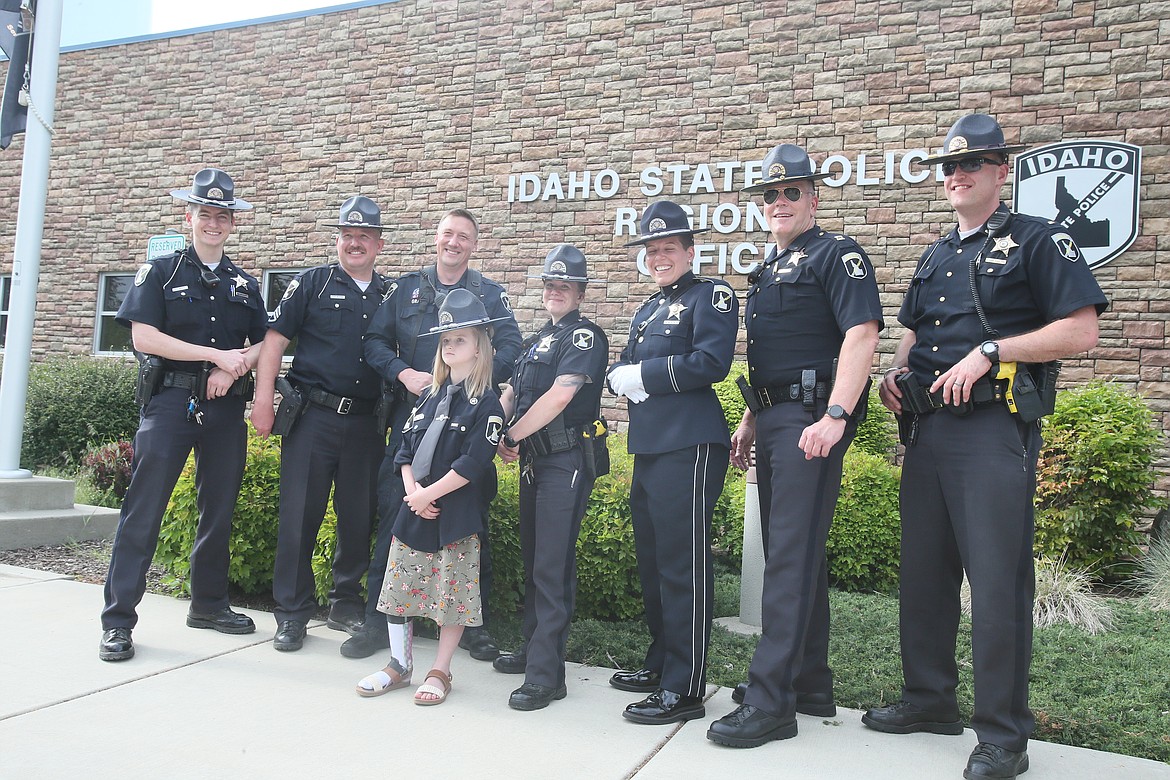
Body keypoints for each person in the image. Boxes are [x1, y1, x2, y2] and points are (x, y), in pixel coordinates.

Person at [862, 114, 1107, 780]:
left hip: (995, 429)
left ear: (1003, 172)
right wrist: (896, 372)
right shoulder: (937, 252)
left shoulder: (1037, 239)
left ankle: (1003, 736)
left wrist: (994, 350)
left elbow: (1080, 331)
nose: (957, 175)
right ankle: (928, 700)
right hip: (930, 430)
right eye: (948, 167)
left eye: (974, 164)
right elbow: (915, 332)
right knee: (924, 575)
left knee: (997, 584)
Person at [707, 144, 883, 748]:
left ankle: (770, 700)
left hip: (813, 417)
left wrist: (837, 412)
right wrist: (753, 418)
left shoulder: (839, 256)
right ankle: (807, 682)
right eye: (770, 195)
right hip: (777, 416)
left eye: (791, 192)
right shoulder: (766, 269)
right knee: (798, 551)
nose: (779, 202)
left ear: (814, 198)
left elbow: (862, 335)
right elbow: (769, 356)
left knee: (786, 554)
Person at [99, 169, 267, 662]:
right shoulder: (161, 272)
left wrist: (235, 369)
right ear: (188, 216)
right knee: (143, 511)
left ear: (232, 224)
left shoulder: (243, 282)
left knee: (218, 509)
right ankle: (117, 621)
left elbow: (265, 341)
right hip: (172, 402)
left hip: (224, 405)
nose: (213, 223)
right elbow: (143, 336)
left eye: (222, 215)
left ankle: (209, 605)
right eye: (205, 213)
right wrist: (212, 357)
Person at [344, 208, 521, 662]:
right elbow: (374, 343)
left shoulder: (490, 296)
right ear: (436, 239)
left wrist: (474, 387)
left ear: (473, 245)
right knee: (395, 523)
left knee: (467, 529)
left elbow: (513, 348)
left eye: (463, 237)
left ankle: (472, 629)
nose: (454, 243)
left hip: (467, 430)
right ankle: (376, 623)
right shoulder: (405, 290)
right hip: (415, 422)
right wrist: (403, 374)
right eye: (448, 235)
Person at [606, 200, 738, 725]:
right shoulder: (647, 309)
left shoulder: (713, 296)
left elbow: (711, 362)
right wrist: (622, 374)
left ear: (689, 250)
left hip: (691, 442)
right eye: (652, 250)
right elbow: (625, 366)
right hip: (651, 445)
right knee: (656, 562)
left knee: (683, 565)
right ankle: (662, 663)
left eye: (669, 248)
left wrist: (642, 376)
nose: (660, 257)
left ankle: (685, 686)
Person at [250, 196, 390, 652]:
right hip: (313, 418)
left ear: (378, 244)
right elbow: (273, 341)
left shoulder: (391, 295)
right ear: (338, 241)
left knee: (356, 518)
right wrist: (262, 399)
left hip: (367, 424)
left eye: (364, 237)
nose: (355, 244)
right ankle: (292, 614)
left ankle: (345, 603)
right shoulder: (310, 283)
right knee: (299, 517)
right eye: (348, 236)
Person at [354, 288, 507, 705]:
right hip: (416, 508)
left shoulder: (486, 403)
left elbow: (474, 463)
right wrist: (413, 494)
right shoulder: (429, 398)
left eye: (460, 338)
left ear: (480, 346)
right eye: (446, 340)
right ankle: (399, 665)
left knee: (451, 596)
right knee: (398, 587)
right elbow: (404, 451)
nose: (451, 345)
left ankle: (441, 670)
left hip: (454, 512)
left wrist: (430, 494)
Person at [492, 244, 609, 711]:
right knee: (534, 559)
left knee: (552, 563)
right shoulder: (537, 339)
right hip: (534, 461)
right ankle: (533, 647)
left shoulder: (583, 337)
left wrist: (512, 435)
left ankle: (547, 675)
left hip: (566, 459)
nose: (556, 291)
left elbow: (561, 397)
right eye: (550, 284)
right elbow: (512, 391)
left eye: (565, 285)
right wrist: (495, 431)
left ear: (580, 291)